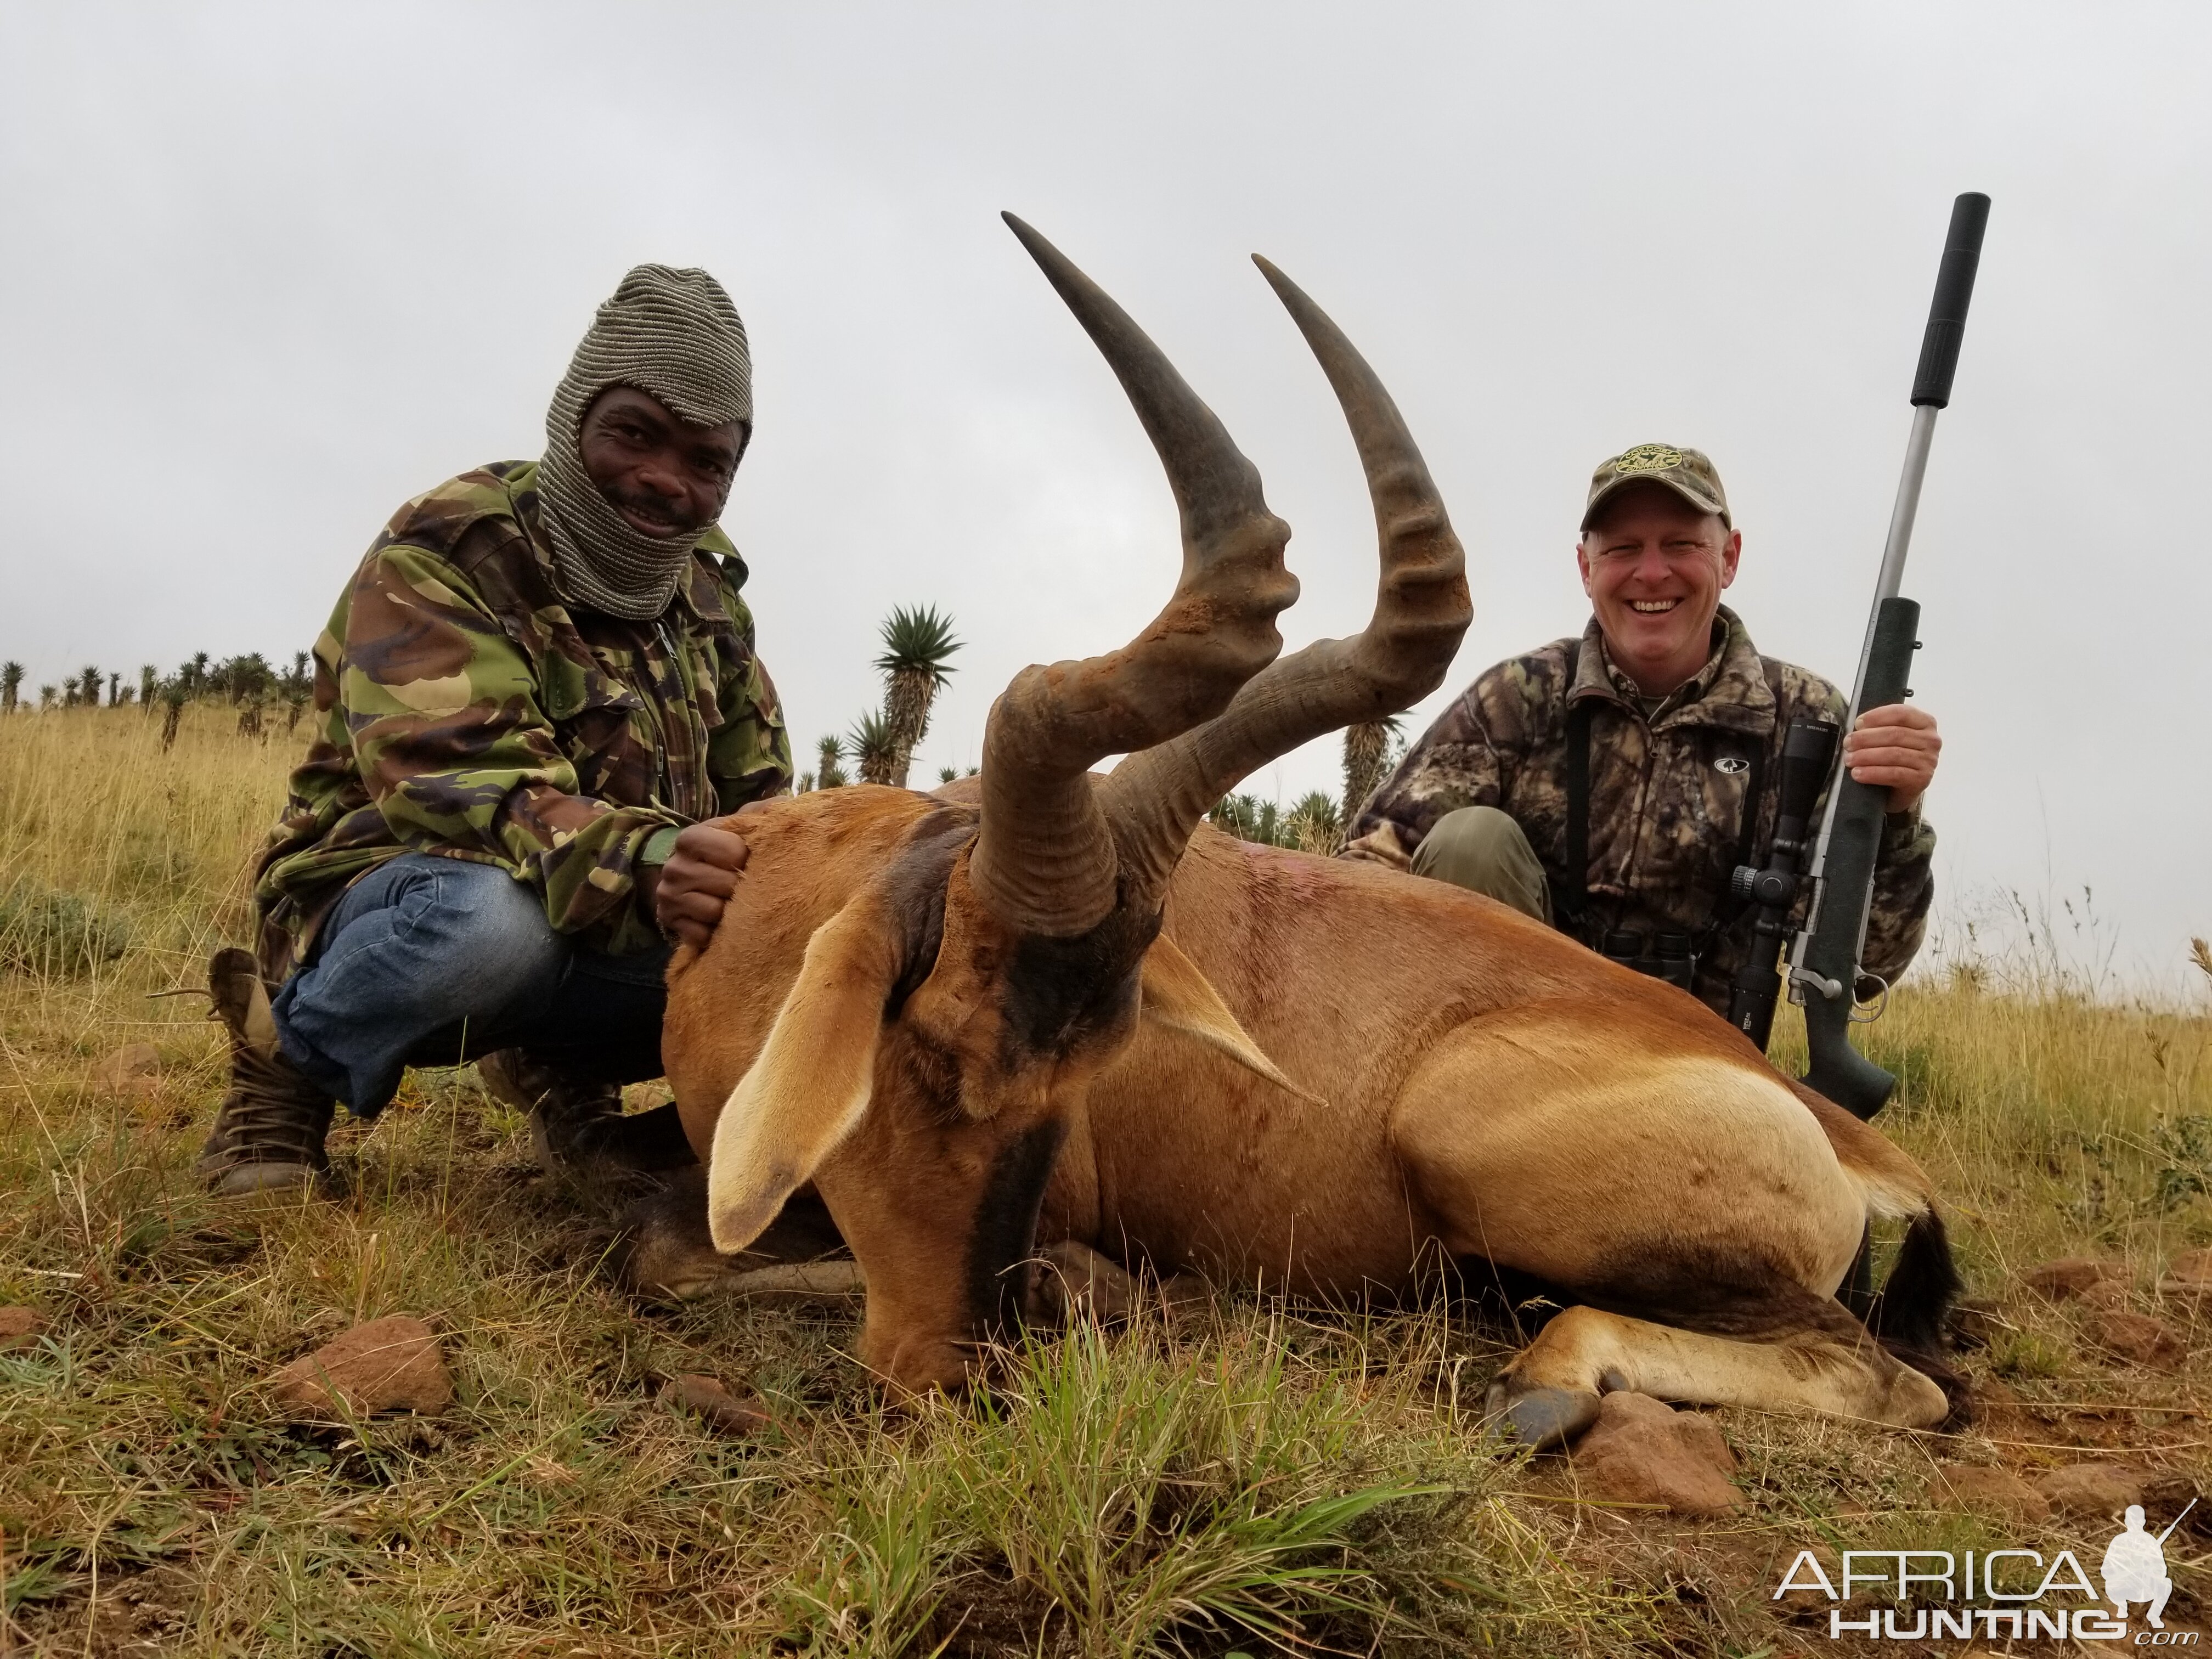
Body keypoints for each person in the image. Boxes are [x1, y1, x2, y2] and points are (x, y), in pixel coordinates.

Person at [198, 265, 791, 1197]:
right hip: (411, 896)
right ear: (573, 419)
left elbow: (763, 805)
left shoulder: (711, 600)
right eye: (635, 434)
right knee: (489, 928)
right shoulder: (446, 547)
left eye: (705, 460)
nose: (664, 480)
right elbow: (472, 792)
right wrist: (657, 859)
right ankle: (284, 1066)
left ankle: (570, 1079)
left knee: (802, 958)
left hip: (612, 918)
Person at [1343, 442, 1939, 1019]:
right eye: (1624, 549)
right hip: (1522, 1053)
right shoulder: (1517, 697)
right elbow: (1367, 873)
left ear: (1729, 558)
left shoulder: (1810, 718)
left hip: (1696, 1069)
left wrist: (1897, 815)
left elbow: (1864, 971)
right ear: (1586, 568)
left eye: (1681, 545)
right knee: (1471, 843)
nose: (1651, 574)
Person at [2101, 1505, 2174, 1628]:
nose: (2135, 1524)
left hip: (2144, 1588)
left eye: (2138, 1520)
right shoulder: (2118, 1541)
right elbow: (2106, 1570)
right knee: (2109, 1584)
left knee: (2166, 1584)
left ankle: (2154, 1615)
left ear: (2143, 1522)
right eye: (2132, 1520)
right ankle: (2122, 1607)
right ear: (2126, 1522)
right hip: (2123, 1587)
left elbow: (2162, 1570)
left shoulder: (2150, 1542)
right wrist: (2124, 1570)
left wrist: (2147, 1569)